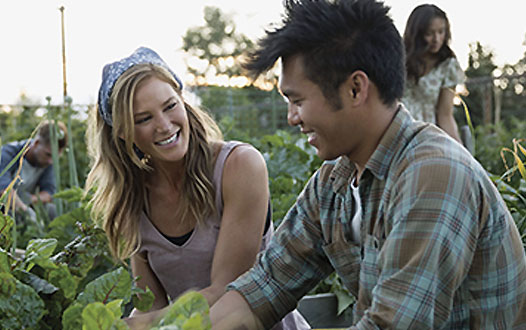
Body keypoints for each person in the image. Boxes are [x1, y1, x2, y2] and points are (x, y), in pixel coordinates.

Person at [209, 0, 526, 329]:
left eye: (298, 101)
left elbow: (393, 324)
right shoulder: (334, 182)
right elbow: (267, 284)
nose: (292, 118)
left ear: (355, 88)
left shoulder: (433, 174)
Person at [85, 47, 309, 329]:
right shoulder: (133, 199)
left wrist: (129, 327)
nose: (165, 126)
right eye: (144, 119)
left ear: (182, 99)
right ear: (122, 131)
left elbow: (227, 293)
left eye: (170, 106)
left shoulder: (238, 166)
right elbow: (150, 306)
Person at [0, 120, 67, 222]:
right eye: (48, 155)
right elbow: (4, 191)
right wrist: (26, 213)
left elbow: (49, 193)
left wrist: (30, 200)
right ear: (36, 143)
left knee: (51, 211)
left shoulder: (47, 162)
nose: (51, 161)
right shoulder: (7, 155)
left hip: (22, 205)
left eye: (55, 157)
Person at [401, 4, 465, 143]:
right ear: (417, 33)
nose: (436, 39)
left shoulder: (448, 65)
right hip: (396, 131)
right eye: (429, 33)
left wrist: (462, 154)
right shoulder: (398, 58)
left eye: (441, 32)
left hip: (427, 138)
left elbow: (445, 115)